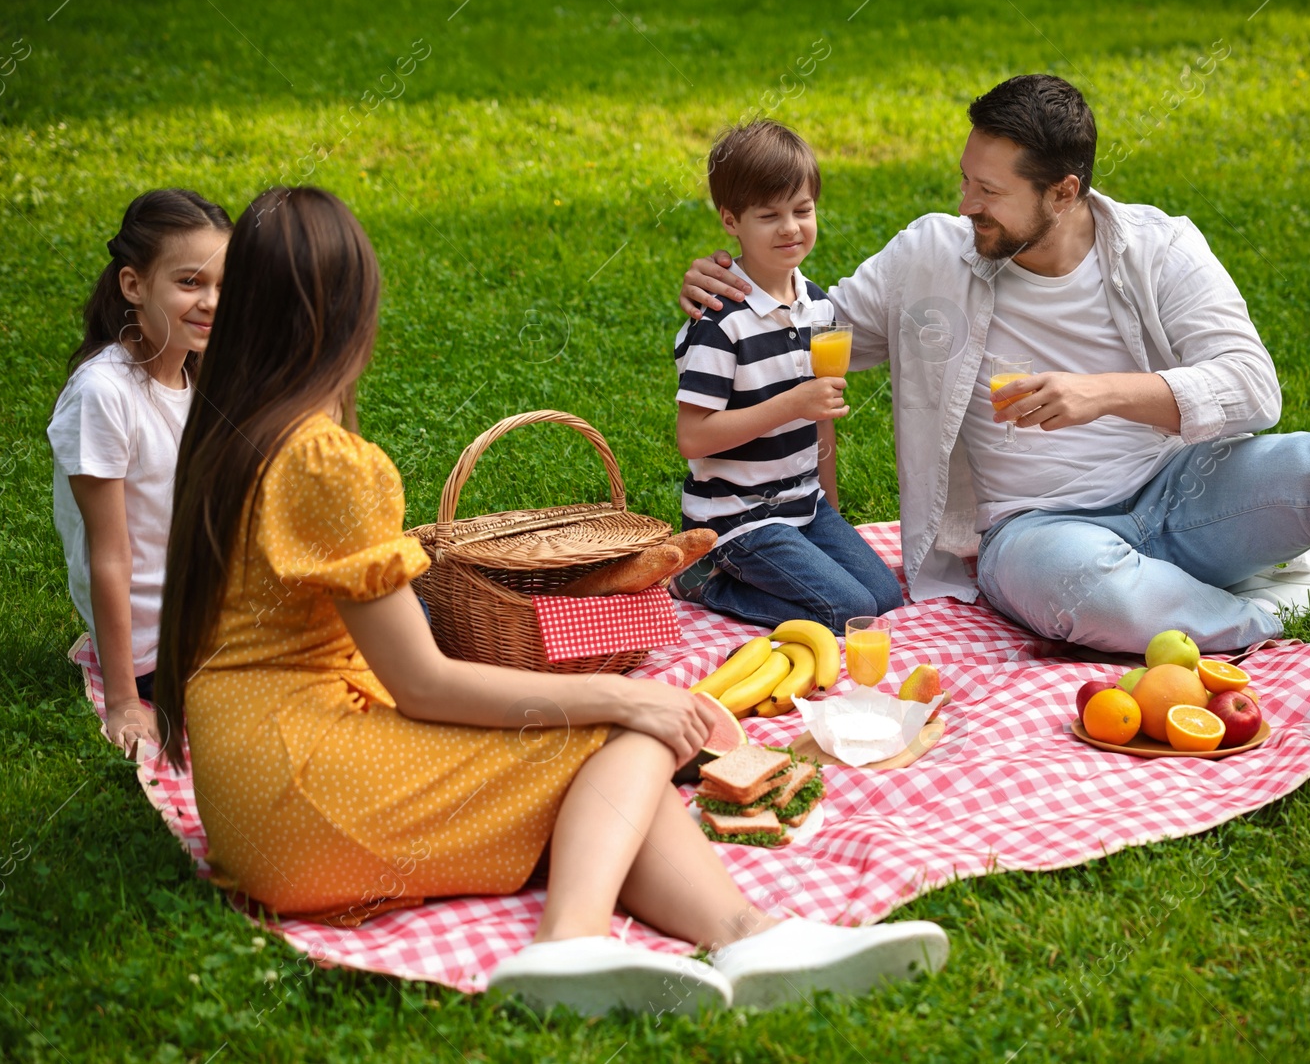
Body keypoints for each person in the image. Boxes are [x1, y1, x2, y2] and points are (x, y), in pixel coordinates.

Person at [152, 186, 948, 1015]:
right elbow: (423, 682)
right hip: (305, 797)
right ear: (351, 314)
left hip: (246, 785)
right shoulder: (326, 461)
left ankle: (754, 938)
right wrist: (625, 692)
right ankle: (569, 945)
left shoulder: (227, 431)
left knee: (605, 784)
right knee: (619, 737)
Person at [680, 75, 1310, 686]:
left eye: (989, 190)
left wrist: (1105, 391)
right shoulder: (932, 255)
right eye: (965, 180)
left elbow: (1253, 386)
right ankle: (1278, 617)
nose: (966, 204)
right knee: (1081, 589)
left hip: (1180, 492)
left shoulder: (1161, 247)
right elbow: (811, 334)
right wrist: (730, 288)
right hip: (1038, 533)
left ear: (1064, 190)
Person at [671, 119, 902, 632]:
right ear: (731, 220)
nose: (790, 228)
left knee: (885, 598)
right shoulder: (720, 322)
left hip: (804, 503)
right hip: (734, 518)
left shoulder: (819, 308)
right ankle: (706, 580)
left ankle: (797, 557)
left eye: (803, 210)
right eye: (769, 215)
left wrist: (832, 514)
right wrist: (794, 402)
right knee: (849, 612)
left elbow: (821, 420)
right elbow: (693, 437)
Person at [48, 189, 232, 757]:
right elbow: (111, 556)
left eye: (224, 285)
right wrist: (126, 700)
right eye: (189, 283)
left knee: (405, 610)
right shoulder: (104, 394)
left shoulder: (197, 379)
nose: (210, 302)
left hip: (215, 619)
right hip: (163, 649)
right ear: (133, 285)